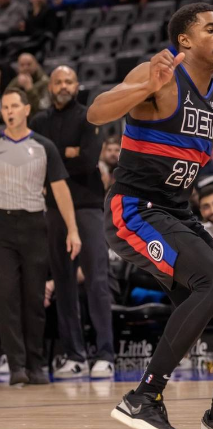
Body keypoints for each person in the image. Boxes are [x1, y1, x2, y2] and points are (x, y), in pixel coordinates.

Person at [87, 4, 213, 429]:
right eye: (211, 29)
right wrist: (144, 86)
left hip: (176, 213)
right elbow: (96, 112)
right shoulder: (160, 76)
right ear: (185, 40)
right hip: (133, 209)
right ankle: (142, 397)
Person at [30, 65, 115, 380]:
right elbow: (37, 163)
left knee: (97, 281)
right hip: (53, 208)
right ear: (50, 87)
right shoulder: (37, 122)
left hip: (88, 206)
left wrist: (55, 158)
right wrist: (66, 153)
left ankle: (105, 354)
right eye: (58, 81)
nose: (63, 86)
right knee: (63, 283)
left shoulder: (89, 117)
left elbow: (88, 160)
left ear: (77, 85)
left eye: (69, 81)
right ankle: (74, 355)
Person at [0, 88, 81, 386]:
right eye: (4, 107)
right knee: (6, 295)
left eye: (13, 106)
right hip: (3, 225)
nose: (8, 111)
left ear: (26, 109)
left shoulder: (44, 146)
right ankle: (16, 365)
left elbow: (60, 189)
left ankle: (35, 364)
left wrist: (73, 230)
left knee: (34, 297)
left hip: (35, 225)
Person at [6, 53, 50, 117]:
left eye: (29, 64)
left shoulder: (45, 82)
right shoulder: (17, 81)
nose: (25, 68)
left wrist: (29, 89)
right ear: (18, 67)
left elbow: (42, 108)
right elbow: (5, 98)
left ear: (36, 65)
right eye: (22, 65)